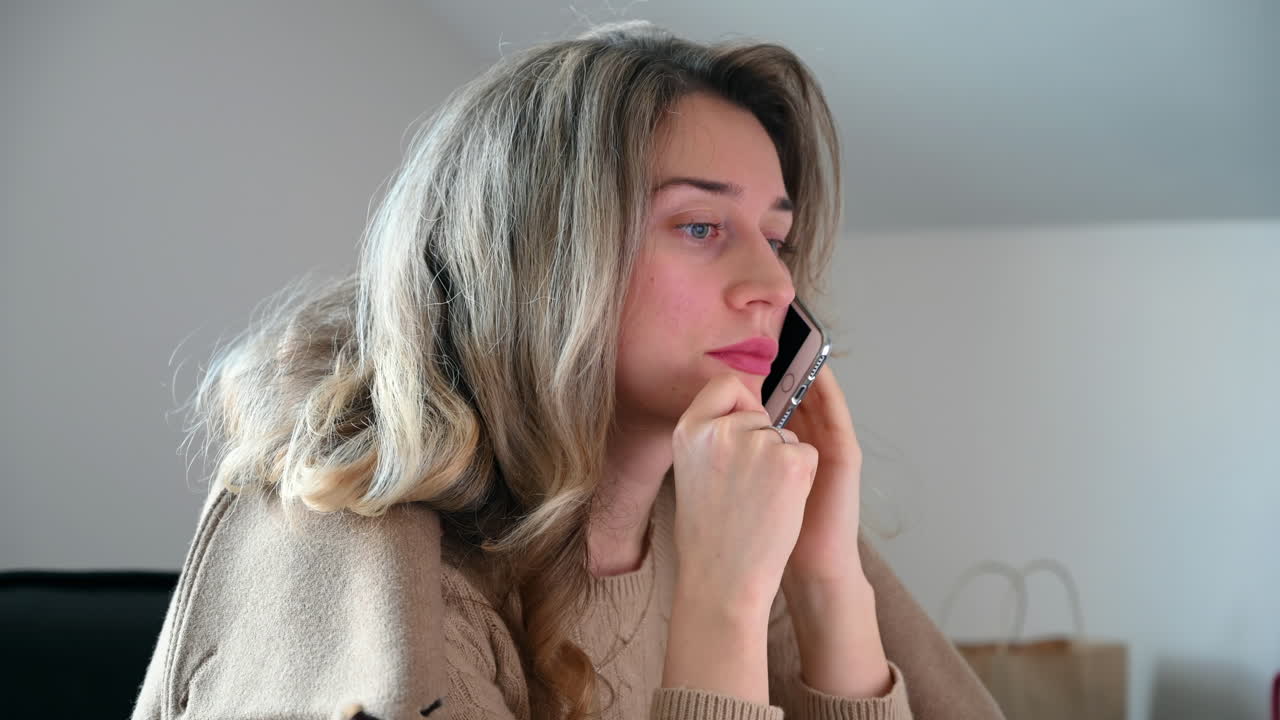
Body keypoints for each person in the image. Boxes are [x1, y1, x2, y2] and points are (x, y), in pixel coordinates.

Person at [132, 19, 1006, 720]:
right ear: (541, 259)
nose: (775, 284)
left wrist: (824, 583)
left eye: (775, 238)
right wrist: (723, 612)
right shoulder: (350, 543)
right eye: (700, 227)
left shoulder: (740, 502)